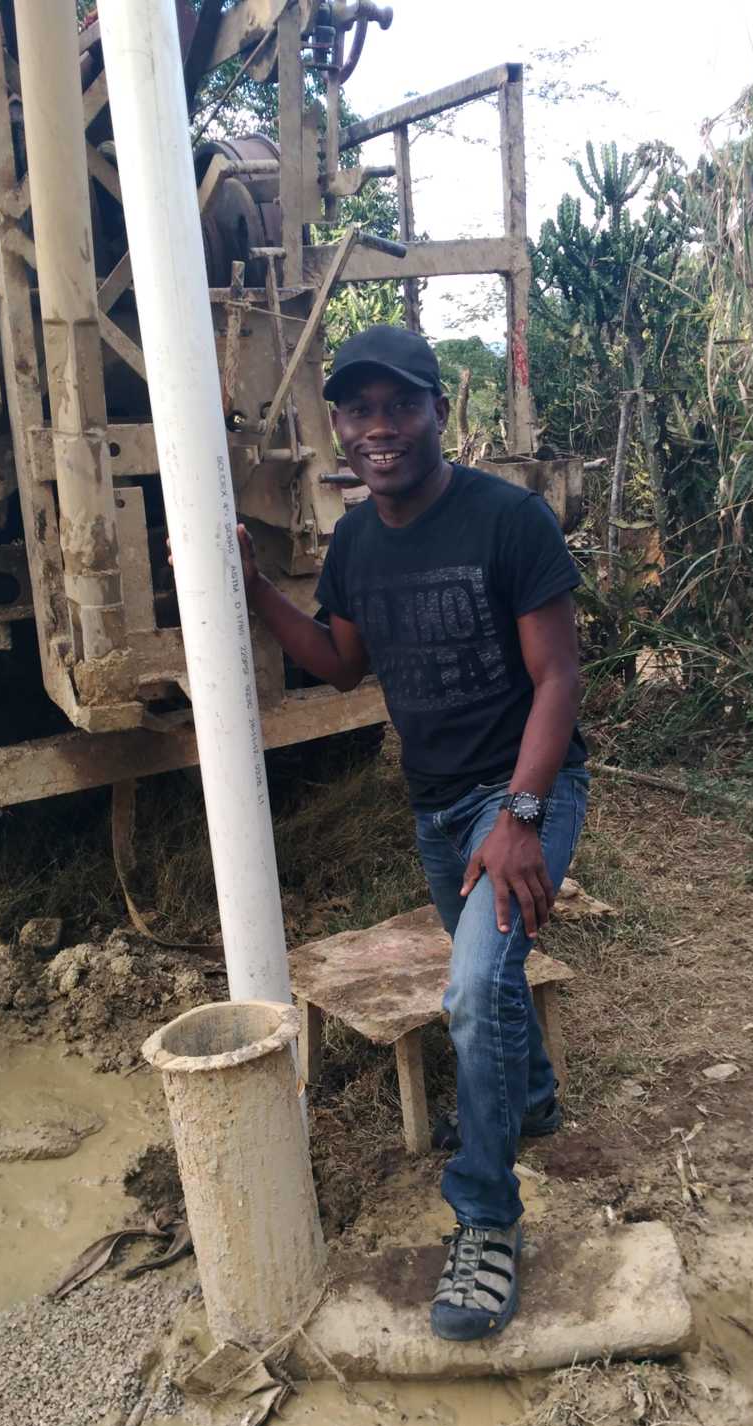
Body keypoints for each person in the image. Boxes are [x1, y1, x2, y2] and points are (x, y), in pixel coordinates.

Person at [239, 325, 588, 1341]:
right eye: (358, 410)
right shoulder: (355, 541)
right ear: (339, 427)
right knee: (493, 971)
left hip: (524, 791)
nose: (379, 428)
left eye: (400, 405)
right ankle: (532, 1095)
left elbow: (560, 676)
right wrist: (255, 586)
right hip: (438, 805)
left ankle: (484, 1218)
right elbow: (343, 663)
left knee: (474, 983)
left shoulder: (507, 519)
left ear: (441, 409)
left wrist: (521, 814)